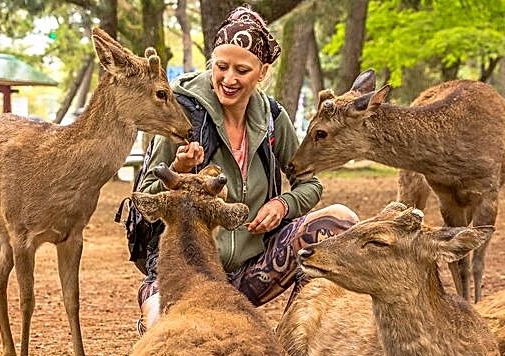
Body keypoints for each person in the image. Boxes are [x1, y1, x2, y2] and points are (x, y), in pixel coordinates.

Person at [135, 5, 358, 333]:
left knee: (339, 222)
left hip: (252, 272)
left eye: (242, 70)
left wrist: (283, 205)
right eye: (221, 66)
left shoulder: (273, 118)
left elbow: (310, 184)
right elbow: (143, 203)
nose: (229, 79)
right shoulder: (182, 112)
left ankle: (291, 340)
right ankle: (157, 325)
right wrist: (178, 169)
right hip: (187, 275)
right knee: (166, 335)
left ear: (262, 71)